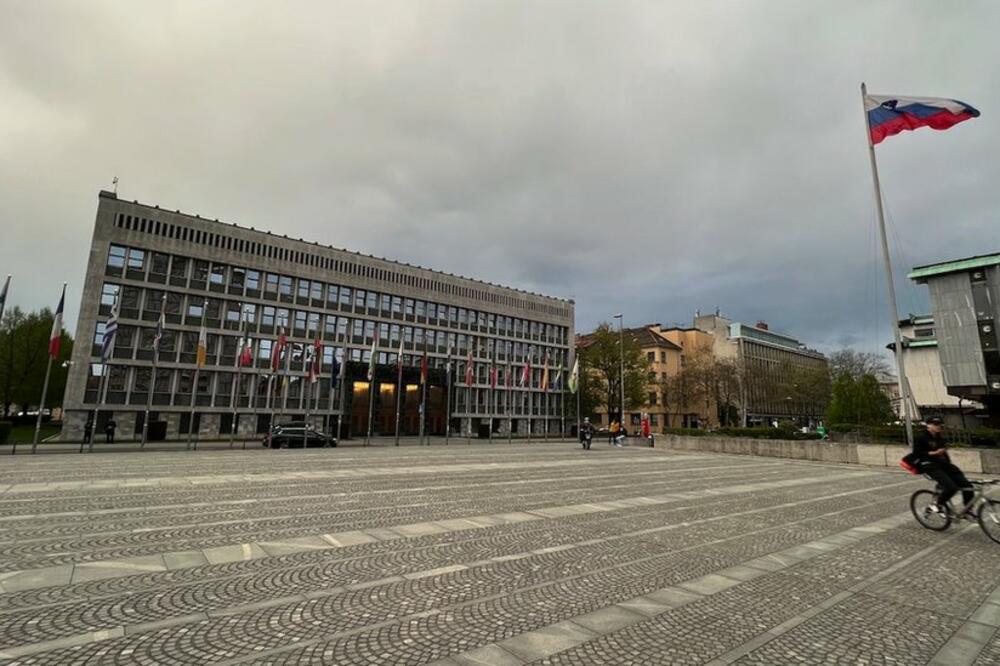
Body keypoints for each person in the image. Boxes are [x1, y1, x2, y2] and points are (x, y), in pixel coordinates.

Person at [913, 416, 973, 514]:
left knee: (968, 486)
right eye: (935, 424)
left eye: (940, 425)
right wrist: (933, 453)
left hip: (943, 464)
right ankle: (936, 504)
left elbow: (944, 453)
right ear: (928, 425)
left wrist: (948, 463)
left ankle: (968, 510)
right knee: (951, 488)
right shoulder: (922, 438)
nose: (938, 426)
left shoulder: (940, 437)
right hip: (929, 465)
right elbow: (916, 454)